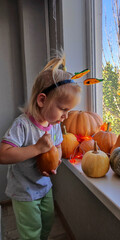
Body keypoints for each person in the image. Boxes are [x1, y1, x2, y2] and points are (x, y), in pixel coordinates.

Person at [0, 53, 82, 240]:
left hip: (45, 187)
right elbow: (3, 155)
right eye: (63, 109)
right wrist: (37, 148)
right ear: (42, 100)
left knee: (47, 220)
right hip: (23, 191)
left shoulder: (53, 126)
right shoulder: (22, 125)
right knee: (31, 230)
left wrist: (56, 162)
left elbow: (59, 147)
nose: (66, 116)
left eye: (68, 111)